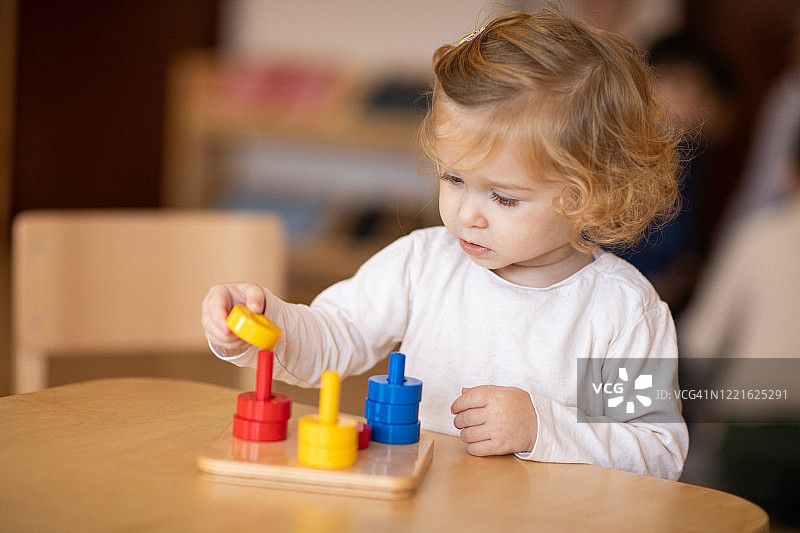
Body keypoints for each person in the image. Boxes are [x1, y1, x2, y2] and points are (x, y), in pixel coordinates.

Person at [201, 8, 688, 481]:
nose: (467, 214)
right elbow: (335, 335)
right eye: (453, 178)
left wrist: (541, 425)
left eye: (503, 196)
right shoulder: (424, 263)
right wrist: (270, 326)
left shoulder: (619, 310)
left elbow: (654, 453)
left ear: (591, 194)